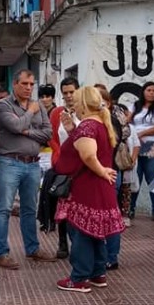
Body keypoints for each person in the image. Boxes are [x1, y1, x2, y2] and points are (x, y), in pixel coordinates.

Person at [53, 86, 125, 293]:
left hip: (89, 186)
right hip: (99, 186)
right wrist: (71, 131)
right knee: (95, 232)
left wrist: (101, 171)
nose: (72, 104)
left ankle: (78, 278)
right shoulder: (100, 123)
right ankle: (97, 273)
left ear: (83, 104)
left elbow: (87, 155)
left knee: (82, 231)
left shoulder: (88, 126)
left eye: (75, 100)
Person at [0, 70, 56, 270]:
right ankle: (1, 253)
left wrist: (26, 130)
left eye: (31, 84)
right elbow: (15, 125)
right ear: (15, 84)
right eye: (25, 84)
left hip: (33, 164)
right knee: (3, 209)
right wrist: (30, 113)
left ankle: (32, 249)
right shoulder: (4, 105)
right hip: (9, 162)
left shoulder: (39, 107)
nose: (29, 88)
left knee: (30, 209)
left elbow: (47, 133)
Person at [95, 84, 131, 270]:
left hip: (107, 172)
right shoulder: (101, 120)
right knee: (109, 214)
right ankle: (108, 255)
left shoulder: (108, 122)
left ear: (107, 103)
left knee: (108, 215)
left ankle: (109, 256)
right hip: (108, 172)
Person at [47, 77, 81, 259]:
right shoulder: (57, 113)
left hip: (80, 165)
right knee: (61, 204)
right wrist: (58, 153)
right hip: (62, 165)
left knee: (78, 205)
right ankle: (62, 242)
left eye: (71, 92)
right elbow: (51, 136)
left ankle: (78, 243)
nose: (68, 96)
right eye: (65, 92)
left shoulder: (83, 111)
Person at [129, 81, 154, 222]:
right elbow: (128, 121)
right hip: (136, 146)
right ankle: (130, 209)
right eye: (148, 90)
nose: (151, 93)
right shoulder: (135, 106)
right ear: (143, 91)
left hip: (153, 146)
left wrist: (142, 133)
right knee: (135, 177)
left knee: (153, 178)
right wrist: (135, 135)